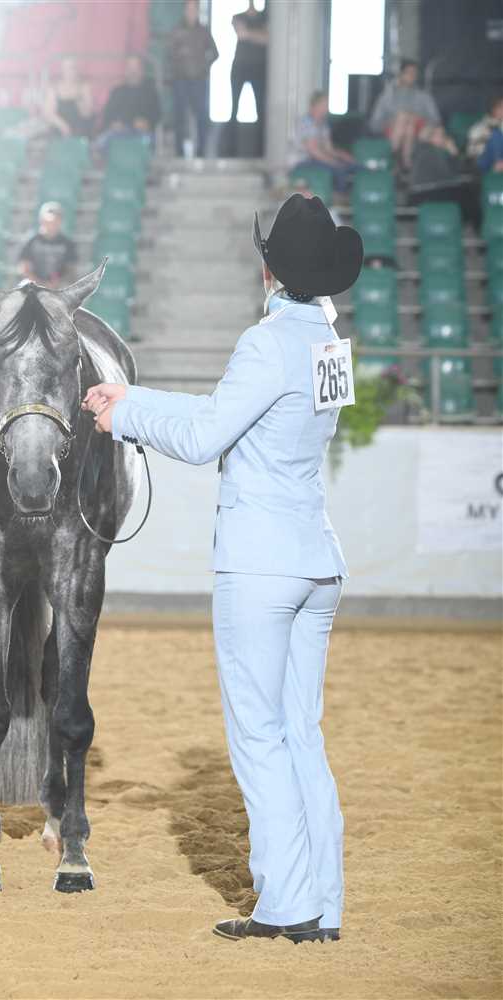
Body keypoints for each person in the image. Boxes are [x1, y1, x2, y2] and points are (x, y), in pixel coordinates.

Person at [82, 193, 364, 943]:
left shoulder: (265, 342)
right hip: (314, 556)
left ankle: (286, 905)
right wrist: (135, 397)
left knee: (259, 735)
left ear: (269, 271)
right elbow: (232, 411)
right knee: (300, 732)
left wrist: (124, 420)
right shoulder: (329, 344)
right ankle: (323, 903)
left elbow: (208, 436)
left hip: (260, 563)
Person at [167, 0, 219, 158]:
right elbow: (169, 54)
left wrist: (204, 67)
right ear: (184, 11)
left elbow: (215, 53)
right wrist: (177, 67)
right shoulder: (176, 31)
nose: (191, 12)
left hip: (199, 80)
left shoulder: (203, 31)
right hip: (180, 80)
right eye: (188, 9)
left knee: (201, 117)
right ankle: (179, 152)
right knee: (180, 117)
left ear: (197, 11)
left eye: (194, 9)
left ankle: (201, 151)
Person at [369, 59, 441, 170]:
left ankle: (396, 159)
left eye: (414, 74)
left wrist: (418, 118)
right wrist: (392, 120)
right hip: (393, 129)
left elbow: (435, 119)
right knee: (403, 118)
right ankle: (404, 161)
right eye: (409, 73)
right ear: (401, 74)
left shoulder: (424, 96)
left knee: (409, 123)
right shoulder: (387, 97)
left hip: (419, 129)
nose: (412, 76)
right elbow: (375, 123)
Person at [408, 124, 481, 230]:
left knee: (467, 191)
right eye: (440, 135)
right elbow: (450, 174)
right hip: (424, 192)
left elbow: (454, 174)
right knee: (468, 193)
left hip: (431, 190)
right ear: (430, 137)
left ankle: (462, 227)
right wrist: (453, 153)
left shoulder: (431, 150)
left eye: (444, 135)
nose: (444, 138)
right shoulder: (430, 150)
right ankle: (475, 229)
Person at [287, 91, 359, 194]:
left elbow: (329, 149)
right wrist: (333, 162)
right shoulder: (306, 123)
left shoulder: (323, 125)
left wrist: (345, 157)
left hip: (316, 160)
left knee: (351, 166)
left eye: (326, 105)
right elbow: (314, 151)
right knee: (339, 169)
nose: (326, 109)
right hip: (302, 161)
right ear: (314, 106)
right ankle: (339, 196)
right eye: (324, 105)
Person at [223, 0, 268, 157]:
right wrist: (256, 34)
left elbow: (267, 38)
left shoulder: (266, 17)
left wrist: (248, 33)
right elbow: (240, 32)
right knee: (233, 109)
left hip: (259, 70)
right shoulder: (238, 17)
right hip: (239, 68)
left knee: (261, 110)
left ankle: (261, 152)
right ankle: (230, 151)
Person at [93, 55, 161, 159]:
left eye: (136, 68)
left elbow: (157, 114)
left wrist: (147, 123)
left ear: (141, 70)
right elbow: (107, 114)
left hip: (142, 133)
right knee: (99, 144)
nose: (133, 71)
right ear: (125, 71)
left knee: (148, 142)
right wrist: (113, 124)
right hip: (118, 131)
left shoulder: (150, 92)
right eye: (130, 68)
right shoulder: (117, 91)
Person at [18, 202, 77, 289]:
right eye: (49, 220)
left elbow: (71, 270)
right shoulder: (31, 241)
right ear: (41, 220)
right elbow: (24, 269)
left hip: (59, 286)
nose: (52, 223)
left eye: (56, 220)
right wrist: (40, 283)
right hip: (34, 284)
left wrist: (57, 282)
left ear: (60, 221)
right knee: (24, 285)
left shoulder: (67, 244)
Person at [41, 58, 94, 138]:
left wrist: (79, 99)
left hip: (80, 129)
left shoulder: (84, 87)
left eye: (73, 68)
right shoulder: (54, 88)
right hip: (58, 128)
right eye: (67, 68)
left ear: (77, 70)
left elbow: (87, 114)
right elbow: (48, 113)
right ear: (62, 70)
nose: (70, 71)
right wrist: (62, 125)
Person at [466, 95, 503, 165]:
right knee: (496, 134)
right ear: (494, 109)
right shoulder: (481, 126)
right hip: (482, 159)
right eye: (501, 107)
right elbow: (473, 149)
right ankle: (499, 163)